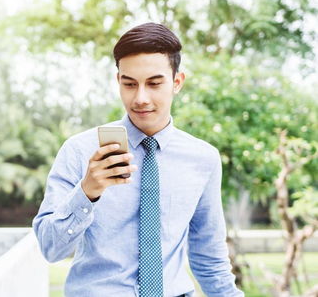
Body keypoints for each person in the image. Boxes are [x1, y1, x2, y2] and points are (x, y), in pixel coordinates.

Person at [32, 22, 244, 297]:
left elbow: (210, 261)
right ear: (117, 81)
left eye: (154, 83)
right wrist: (87, 192)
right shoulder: (79, 151)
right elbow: (50, 248)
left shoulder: (203, 159)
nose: (141, 98)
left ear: (177, 82)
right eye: (130, 84)